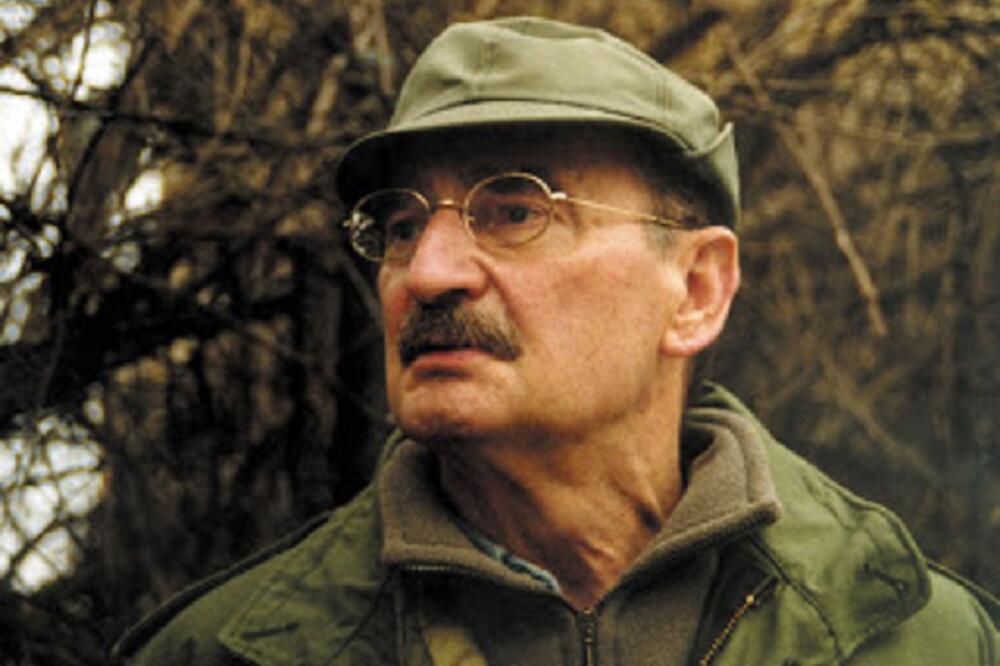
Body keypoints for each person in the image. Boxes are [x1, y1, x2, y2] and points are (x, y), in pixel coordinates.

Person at [115, 16, 998, 665]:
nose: (427, 273)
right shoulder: (231, 654)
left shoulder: (923, 642)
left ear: (696, 291)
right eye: (401, 225)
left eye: (515, 210)